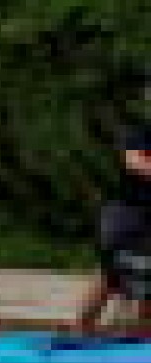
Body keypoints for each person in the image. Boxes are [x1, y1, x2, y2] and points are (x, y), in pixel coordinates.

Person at [77, 123, 151, 335]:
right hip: (125, 219)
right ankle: (82, 330)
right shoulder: (140, 135)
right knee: (111, 276)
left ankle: (142, 339)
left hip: (146, 221)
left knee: (146, 283)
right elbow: (135, 163)